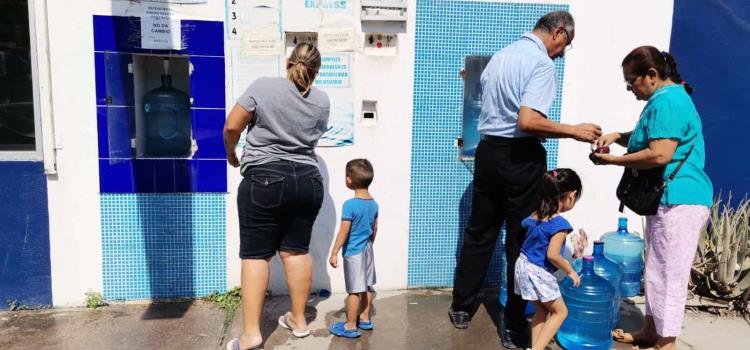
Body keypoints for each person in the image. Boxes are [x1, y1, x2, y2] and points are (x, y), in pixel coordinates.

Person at [449, 10, 602, 349]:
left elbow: (503, 115)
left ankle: (461, 307)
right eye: (566, 45)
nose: (562, 53)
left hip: (488, 152)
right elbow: (529, 120)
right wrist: (573, 131)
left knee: (480, 232)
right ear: (558, 33)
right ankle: (515, 327)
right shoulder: (542, 64)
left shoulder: (500, 57)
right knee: (522, 241)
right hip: (520, 158)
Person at [592, 46, 713, 350]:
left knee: (671, 272)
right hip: (669, 199)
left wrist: (614, 161)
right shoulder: (665, 98)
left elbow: (660, 153)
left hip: (682, 199)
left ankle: (667, 342)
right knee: (657, 269)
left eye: (631, 82)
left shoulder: (670, 100)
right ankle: (650, 331)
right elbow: (651, 135)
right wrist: (618, 136)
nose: (629, 88)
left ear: (652, 75)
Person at [223, 42, 330, 350]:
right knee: (296, 250)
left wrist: (232, 153)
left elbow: (232, 125)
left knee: (256, 255)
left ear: (288, 62)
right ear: (316, 71)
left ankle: (252, 334)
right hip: (308, 181)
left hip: (265, 179)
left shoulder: (262, 87)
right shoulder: (322, 100)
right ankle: (298, 321)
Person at [514, 168, 582, 350]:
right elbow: (553, 255)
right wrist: (570, 270)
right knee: (561, 312)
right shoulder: (560, 225)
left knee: (542, 311)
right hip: (537, 271)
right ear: (571, 195)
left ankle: (536, 346)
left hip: (523, 265)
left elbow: (524, 225)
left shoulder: (535, 215)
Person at [327, 159, 379, 338]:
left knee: (354, 291)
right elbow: (374, 230)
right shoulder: (374, 204)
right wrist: (369, 243)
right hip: (367, 249)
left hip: (354, 252)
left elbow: (344, 231)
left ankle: (350, 326)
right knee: (367, 286)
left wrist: (334, 252)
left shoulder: (350, 205)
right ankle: (364, 318)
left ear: (349, 180)